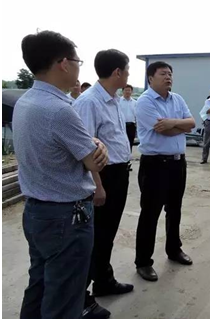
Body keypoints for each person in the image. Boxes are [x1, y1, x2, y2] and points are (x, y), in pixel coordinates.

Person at [13, 30, 109, 319]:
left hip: (37, 212)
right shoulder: (60, 110)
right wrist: (98, 144)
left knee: (40, 285)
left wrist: (90, 143)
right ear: (64, 64)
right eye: (78, 61)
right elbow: (94, 162)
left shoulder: (26, 102)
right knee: (64, 299)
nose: (79, 68)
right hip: (66, 218)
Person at [73, 49, 134, 318]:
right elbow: (85, 149)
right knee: (95, 237)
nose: (129, 75)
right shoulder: (89, 102)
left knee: (107, 235)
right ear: (117, 72)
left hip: (119, 173)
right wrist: (97, 186)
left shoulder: (114, 99)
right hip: (103, 177)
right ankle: (81, 298)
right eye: (127, 70)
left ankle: (104, 280)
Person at [134, 61, 196, 282]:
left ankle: (174, 249)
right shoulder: (145, 102)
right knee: (150, 213)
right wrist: (179, 126)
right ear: (151, 78)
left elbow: (192, 123)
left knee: (175, 209)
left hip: (178, 163)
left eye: (170, 73)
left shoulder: (177, 99)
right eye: (163, 73)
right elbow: (165, 132)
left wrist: (172, 122)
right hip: (155, 165)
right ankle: (143, 261)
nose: (168, 77)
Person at [120, 84, 137, 171]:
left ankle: (128, 163)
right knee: (121, 144)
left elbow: (137, 115)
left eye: (129, 90)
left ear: (132, 92)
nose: (127, 92)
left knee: (129, 144)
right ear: (122, 91)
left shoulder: (135, 103)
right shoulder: (118, 101)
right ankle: (121, 162)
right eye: (126, 90)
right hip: (121, 126)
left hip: (131, 126)